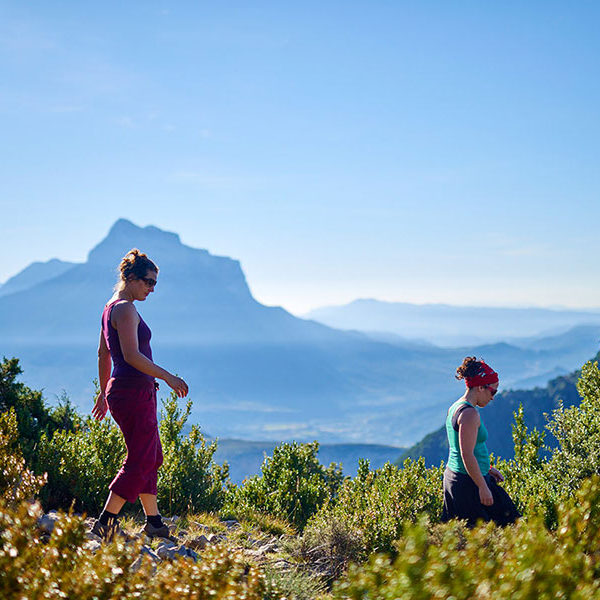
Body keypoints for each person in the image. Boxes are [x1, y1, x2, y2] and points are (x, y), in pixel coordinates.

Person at [91, 248, 188, 540]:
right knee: (140, 459)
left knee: (151, 455)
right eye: (148, 282)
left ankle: (154, 521)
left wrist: (102, 392)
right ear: (130, 278)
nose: (152, 288)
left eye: (155, 283)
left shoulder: (110, 307)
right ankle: (105, 522)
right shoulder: (126, 309)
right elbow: (131, 356)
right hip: (133, 391)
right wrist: (168, 376)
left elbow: (103, 354)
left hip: (123, 390)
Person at [441, 356, 520, 527]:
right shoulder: (469, 414)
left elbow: (462, 449)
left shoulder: (455, 407)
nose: (493, 398)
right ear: (480, 387)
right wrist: (483, 487)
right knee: (504, 530)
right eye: (493, 391)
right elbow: (466, 454)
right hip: (468, 484)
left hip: (459, 478)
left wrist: (487, 469)